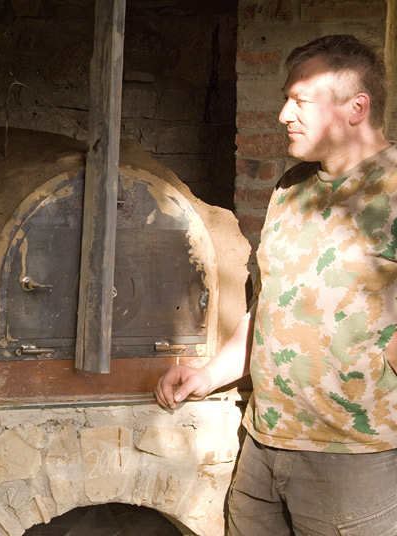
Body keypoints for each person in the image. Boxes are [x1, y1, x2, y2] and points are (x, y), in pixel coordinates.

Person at [155, 34, 397, 535]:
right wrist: (209, 374)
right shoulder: (291, 189)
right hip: (263, 451)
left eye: (300, 101)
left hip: (355, 462)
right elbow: (273, 307)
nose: (285, 114)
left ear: (357, 107)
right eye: (286, 99)